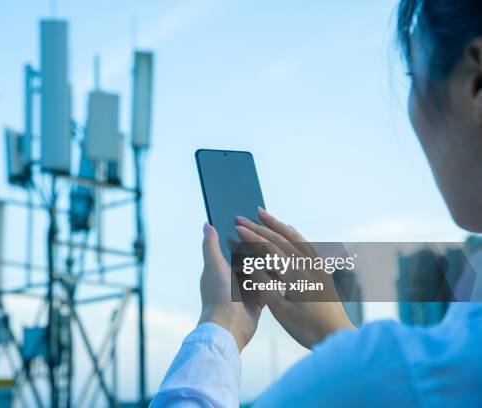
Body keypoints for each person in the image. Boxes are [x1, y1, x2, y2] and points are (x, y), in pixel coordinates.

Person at [150, 0, 482, 406]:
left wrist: (220, 325)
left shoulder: (411, 370)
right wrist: (342, 341)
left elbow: (407, 383)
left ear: (476, 81)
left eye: (413, 74)